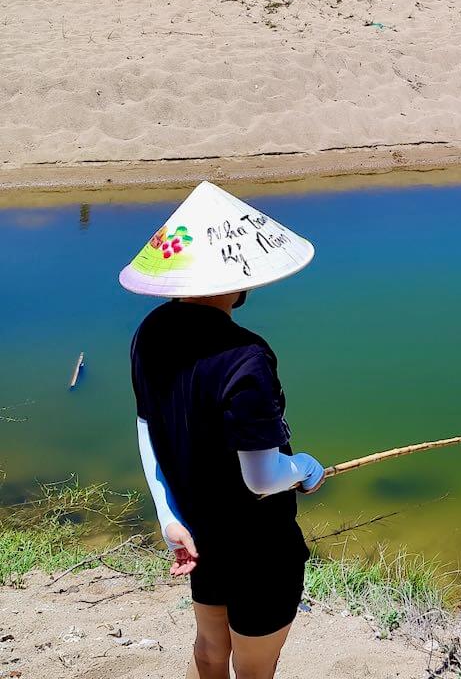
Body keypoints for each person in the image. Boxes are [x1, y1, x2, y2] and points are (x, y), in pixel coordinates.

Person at [120, 181, 325, 679]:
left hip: (199, 530)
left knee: (210, 651)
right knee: (255, 668)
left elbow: (148, 428)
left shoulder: (150, 332)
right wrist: (305, 469)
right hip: (260, 547)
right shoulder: (246, 357)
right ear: (239, 277)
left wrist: (169, 516)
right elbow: (261, 476)